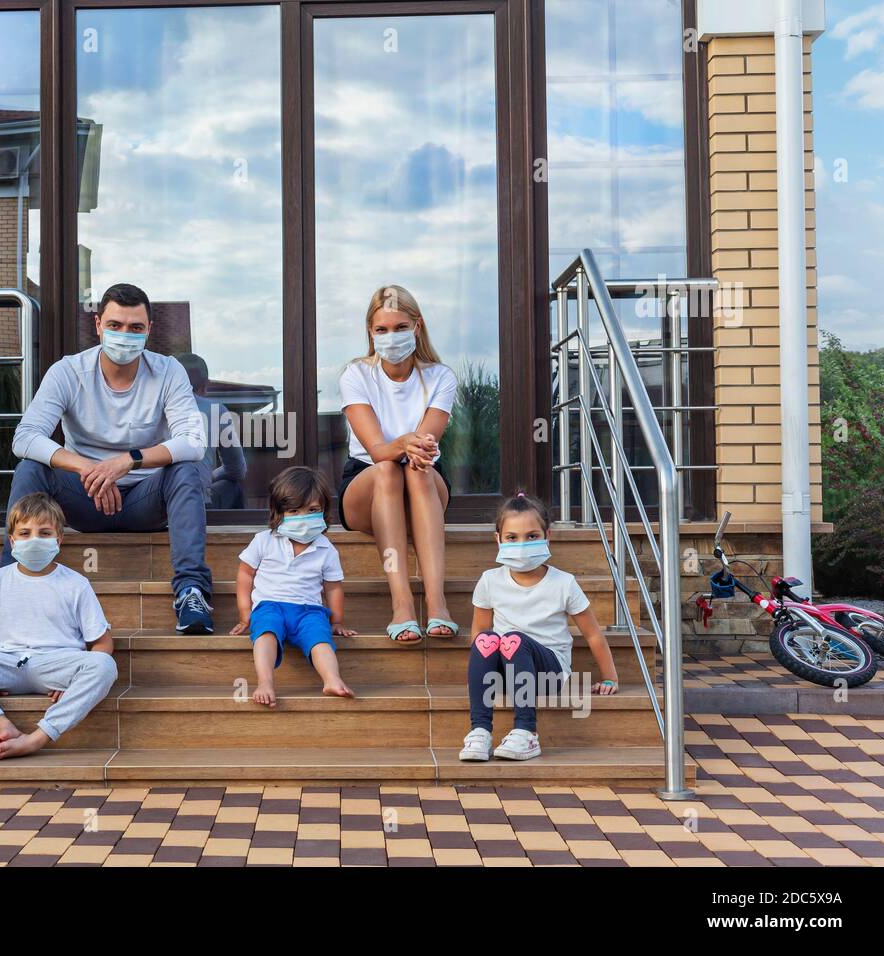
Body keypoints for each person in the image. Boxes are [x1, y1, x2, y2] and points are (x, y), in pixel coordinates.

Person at [6, 282, 214, 633]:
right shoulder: (68, 371)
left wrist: (126, 461)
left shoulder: (168, 371)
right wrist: (88, 467)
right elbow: (25, 438)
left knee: (186, 469)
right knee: (31, 468)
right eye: (115, 325)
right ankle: (8, 586)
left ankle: (191, 591)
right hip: (83, 498)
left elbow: (194, 442)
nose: (124, 335)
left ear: (149, 330)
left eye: (135, 328)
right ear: (98, 325)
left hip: (145, 500)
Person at [0, 492, 119, 760]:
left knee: (104, 667)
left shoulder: (76, 584)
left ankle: (37, 739)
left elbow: (102, 644)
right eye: (25, 533)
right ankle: (1, 724)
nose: (34, 540)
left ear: (59, 539)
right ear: (12, 540)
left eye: (45, 532)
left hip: (55, 664)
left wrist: (76, 680)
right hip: (4, 663)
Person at [337, 284, 458, 644]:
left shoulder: (440, 377)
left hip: (421, 479)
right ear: (371, 334)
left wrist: (409, 446)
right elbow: (376, 450)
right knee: (389, 467)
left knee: (415, 468)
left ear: (417, 327)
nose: (391, 337)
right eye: (382, 330)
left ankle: (437, 603)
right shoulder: (355, 375)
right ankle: (402, 603)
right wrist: (402, 444)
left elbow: (427, 444)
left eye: (401, 327)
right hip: (367, 483)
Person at [460, 492, 620, 761]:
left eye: (532, 536)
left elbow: (592, 634)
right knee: (486, 640)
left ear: (548, 536)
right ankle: (479, 731)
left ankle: (526, 732)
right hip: (505, 673)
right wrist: (487, 667)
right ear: (498, 539)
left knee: (513, 639)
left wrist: (610, 677)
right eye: (512, 537)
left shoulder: (563, 583)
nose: (521, 544)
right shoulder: (489, 580)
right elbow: (478, 633)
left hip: (550, 673)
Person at [231, 467, 356, 707]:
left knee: (320, 639)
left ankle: (332, 680)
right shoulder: (264, 541)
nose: (303, 518)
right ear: (279, 513)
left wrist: (337, 620)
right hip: (270, 605)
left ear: (324, 512)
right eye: (294, 511)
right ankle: (265, 681)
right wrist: (245, 613)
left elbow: (333, 587)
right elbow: (245, 575)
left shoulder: (326, 548)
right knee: (266, 632)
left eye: (312, 510)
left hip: (309, 610)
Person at [174, 351, 248, 509]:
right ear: (206, 384)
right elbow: (237, 469)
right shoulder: (215, 410)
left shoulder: (149, 408)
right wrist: (210, 475)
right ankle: (235, 533)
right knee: (233, 487)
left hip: (152, 504)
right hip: (197, 504)